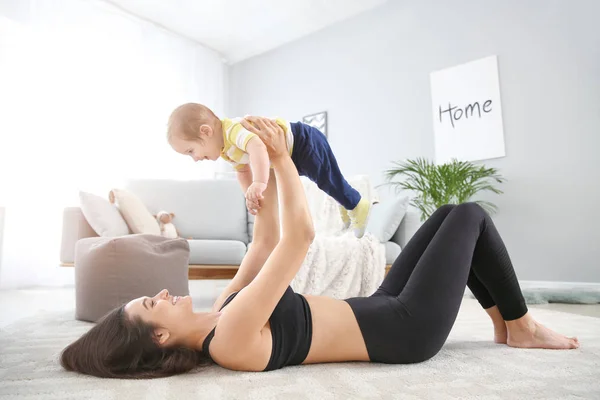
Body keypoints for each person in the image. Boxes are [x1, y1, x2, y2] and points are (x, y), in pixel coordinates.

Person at [60, 116, 579, 379]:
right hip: (405, 329)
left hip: (378, 305)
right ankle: (522, 325)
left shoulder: (221, 311)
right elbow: (298, 241)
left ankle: (503, 323)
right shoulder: (229, 342)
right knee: (468, 215)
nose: (160, 293)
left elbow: (264, 241)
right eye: (152, 304)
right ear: (160, 337)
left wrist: (251, 176)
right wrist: (285, 162)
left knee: (448, 215)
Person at [166, 103, 371, 238]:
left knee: (326, 178)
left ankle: (357, 203)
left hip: (303, 141)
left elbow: (256, 147)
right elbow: (243, 171)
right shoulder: (226, 151)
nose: (194, 159)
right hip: (291, 154)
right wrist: (251, 195)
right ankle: (346, 202)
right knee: (326, 180)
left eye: (191, 150)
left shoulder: (232, 131)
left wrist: (260, 183)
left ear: (206, 131)